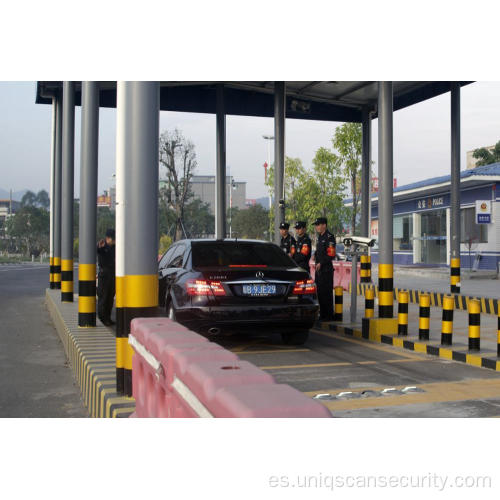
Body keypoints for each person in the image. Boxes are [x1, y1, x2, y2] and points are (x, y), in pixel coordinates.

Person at [313, 217, 336, 320]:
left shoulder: (329, 237)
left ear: (324, 225)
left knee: (326, 293)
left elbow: (331, 254)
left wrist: (321, 263)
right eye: (316, 225)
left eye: (318, 225)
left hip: (326, 270)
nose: (317, 227)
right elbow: (319, 251)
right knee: (320, 293)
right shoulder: (320, 237)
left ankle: (328, 315)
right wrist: (315, 254)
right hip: (319, 270)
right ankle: (322, 314)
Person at [97, 228, 116, 326]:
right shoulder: (102, 245)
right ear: (107, 238)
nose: (114, 241)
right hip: (104, 275)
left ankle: (108, 318)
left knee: (110, 297)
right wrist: (100, 247)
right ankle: (102, 318)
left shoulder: (115, 247)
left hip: (113, 274)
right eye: (112, 239)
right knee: (103, 297)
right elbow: (98, 249)